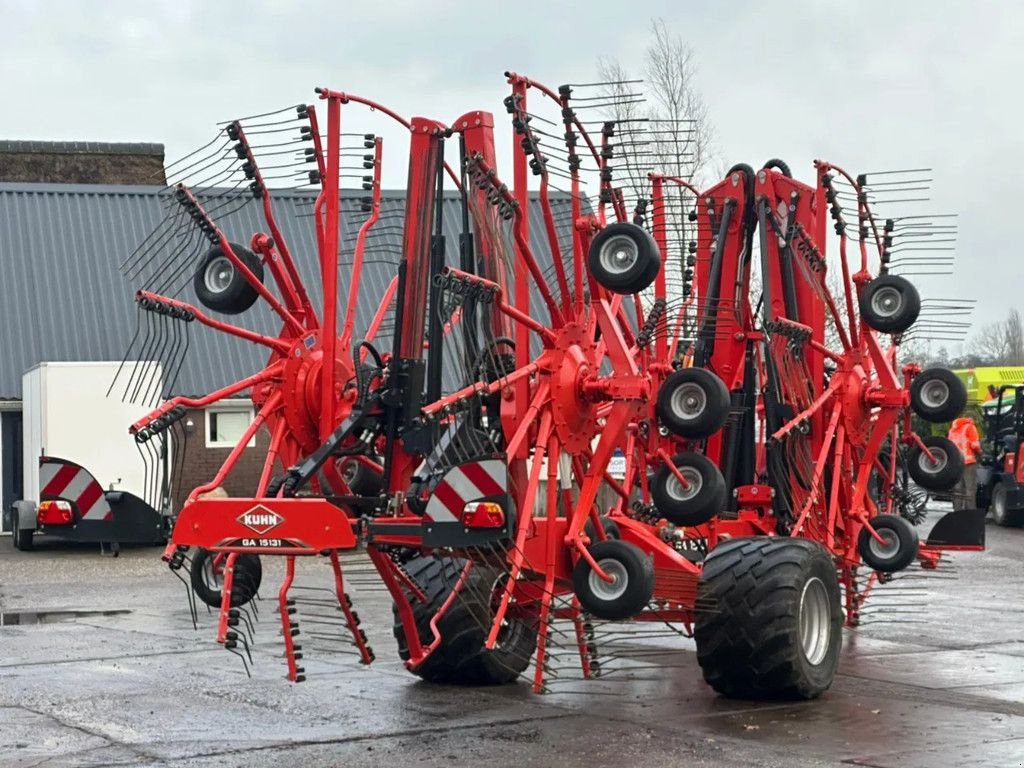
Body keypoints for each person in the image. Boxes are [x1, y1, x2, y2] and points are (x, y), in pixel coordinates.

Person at [948, 417, 982, 511]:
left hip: (956, 463)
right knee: (970, 489)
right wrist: (980, 453)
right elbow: (975, 445)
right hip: (969, 463)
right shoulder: (970, 427)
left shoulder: (952, 429)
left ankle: (957, 512)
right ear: (971, 419)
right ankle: (970, 513)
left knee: (958, 489)